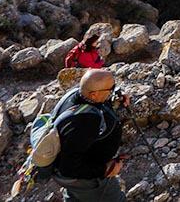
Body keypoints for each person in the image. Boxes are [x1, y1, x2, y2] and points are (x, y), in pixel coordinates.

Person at [50, 68, 127, 202]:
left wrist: (113, 100)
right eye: (110, 89)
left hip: (74, 180)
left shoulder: (75, 94)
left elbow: (99, 103)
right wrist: (104, 170)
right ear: (94, 94)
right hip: (89, 181)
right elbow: (69, 167)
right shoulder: (85, 122)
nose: (113, 91)